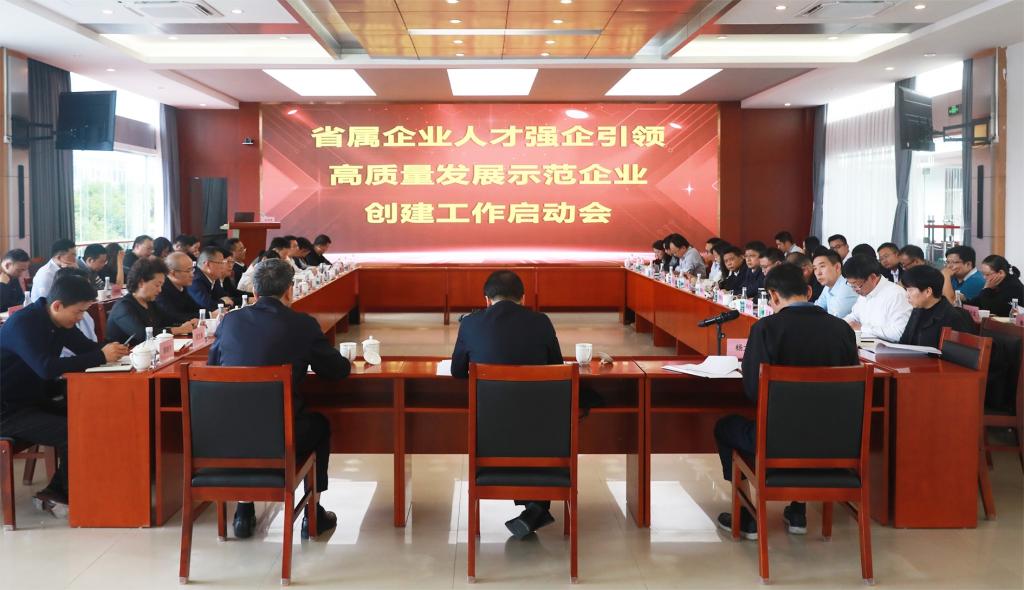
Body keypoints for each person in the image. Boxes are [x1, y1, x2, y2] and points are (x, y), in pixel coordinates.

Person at [714, 263, 859, 539]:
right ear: (809, 291)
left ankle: (747, 517)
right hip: (834, 442)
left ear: (773, 296)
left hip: (776, 443)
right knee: (809, 421)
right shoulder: (842, 330)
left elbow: (754, 391)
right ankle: (797, 511)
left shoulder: (766, 328)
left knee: (726, 427)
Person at [209, 258, 349, 540]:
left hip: (228, 435)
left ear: (254, 292)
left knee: (248, 426)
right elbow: (336, 371)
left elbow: (214, 369)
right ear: (289, 290)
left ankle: (244, 511)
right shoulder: (302, 324)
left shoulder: (230, 321)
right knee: (320, 426)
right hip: (281, 435)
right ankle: (313, 514)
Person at [0, 273, 129, 517]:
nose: (81, 318)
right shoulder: (23, 324)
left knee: (96, 415)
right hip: (7, 409)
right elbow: (45, 368)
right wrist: (101, 356)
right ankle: (58, 493)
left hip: (32, 399)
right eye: (79, 312)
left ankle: (88, 485)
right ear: (58, 305)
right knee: (76, 429)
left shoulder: (59, 321)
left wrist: (117, 350)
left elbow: (87, 348)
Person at [450, 270, 564, 539]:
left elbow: (457, 371)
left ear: (486, 299)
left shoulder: (470, 323)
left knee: (517, 425)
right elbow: (556, 368)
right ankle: (536, 506)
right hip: (539, 430)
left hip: (489, 429)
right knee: (538, 423)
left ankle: (534, 508)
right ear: (523, 298)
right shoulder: (541, 322)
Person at [106, 257, 197, 344]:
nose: (160, 290)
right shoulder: (123, 307)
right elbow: (143, 335)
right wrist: (179, 330)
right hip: (128, 353)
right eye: (157, 285)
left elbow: (170, 318)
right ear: (141, 283)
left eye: (161, 286)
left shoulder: (150, 303)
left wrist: (190, 322)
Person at [899, 265, 973, 349]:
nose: (907, 295)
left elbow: (954, 354)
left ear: (928, 291)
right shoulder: (918, 309)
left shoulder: (951, 318)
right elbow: (904, 342)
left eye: (910, 290)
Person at [843, 255, 913, 341]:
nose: (854, 290)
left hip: (888, 348)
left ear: (872, 277)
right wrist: (840, 324)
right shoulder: (865, 293)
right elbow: (854, 316)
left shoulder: (896, 295)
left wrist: (862, 328)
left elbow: (900, 333)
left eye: (857, 285)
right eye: (851, 285)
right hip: (865, 345)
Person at [156, 252, 204, 324]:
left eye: (192, 269)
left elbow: (195, 308)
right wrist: (209, 315)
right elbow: (174, 317)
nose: (192, 275)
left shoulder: (182, 286)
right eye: (188, 271)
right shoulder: (161, 290)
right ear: (173, 273)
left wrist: (210, 313)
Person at [29, 239, 79, 303]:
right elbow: (46, 302)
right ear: (59, 258)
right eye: (73, 255)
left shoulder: (66, 269)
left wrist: (76, 272)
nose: (75, 260)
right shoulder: (46, 274)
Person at [813, 249, 858, 318]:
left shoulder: (847, 287)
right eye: (815, 268)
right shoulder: (828, 286)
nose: (818, 273)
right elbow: (816, 308)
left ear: (837, 267)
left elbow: (835, 320)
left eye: (822, 266)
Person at [187, 246, 234, 312]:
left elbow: (226, 298)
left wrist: (222, 301)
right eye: (221, 263)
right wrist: (223, 302)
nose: (223, 266)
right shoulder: (195, 280)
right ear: (208, 264)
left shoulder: (214, 277)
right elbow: (207, 305)